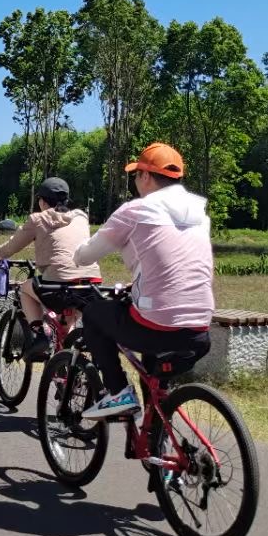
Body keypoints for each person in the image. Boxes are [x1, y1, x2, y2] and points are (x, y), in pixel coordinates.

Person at [72, 143, 214, 419]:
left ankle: (118, 393)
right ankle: (157, 438)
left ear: (146, 176)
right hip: (199, 329)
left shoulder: (137, 210)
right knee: (154, 374)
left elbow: (87, 254)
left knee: (93, 313)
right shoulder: (200, 217)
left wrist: (77, 251)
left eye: (135, 175)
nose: (135, 182)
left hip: (156, 325)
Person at [0, 176, 95, 360]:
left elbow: (12, 246)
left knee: (24, 289)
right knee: (67, 323)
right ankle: (64, 368)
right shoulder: (81, 217)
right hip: (90, 281)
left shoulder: (38, 219)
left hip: (58, 282)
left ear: (42, 201)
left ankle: (39, 334)